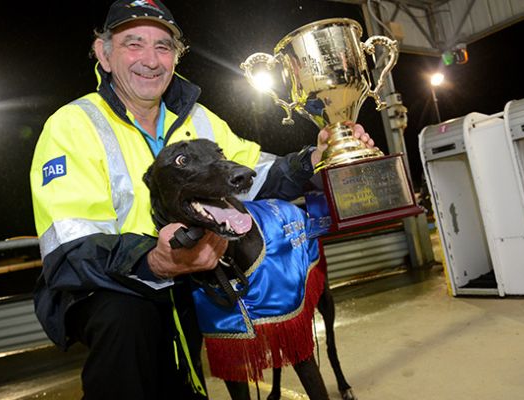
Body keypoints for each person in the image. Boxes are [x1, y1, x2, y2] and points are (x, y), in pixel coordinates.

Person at [29, 0, 375, 398]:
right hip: (109, 284)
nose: (151, 60)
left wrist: (315, 159)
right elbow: (71, 248)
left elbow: (252, 173)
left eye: (163, 46)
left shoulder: (200, 118)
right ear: (103, 54)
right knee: (127, 320)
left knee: (195, 347)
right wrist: (153, 260)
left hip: (191, 273)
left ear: (176, 57)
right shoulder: (72, 125)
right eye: (133, 44)